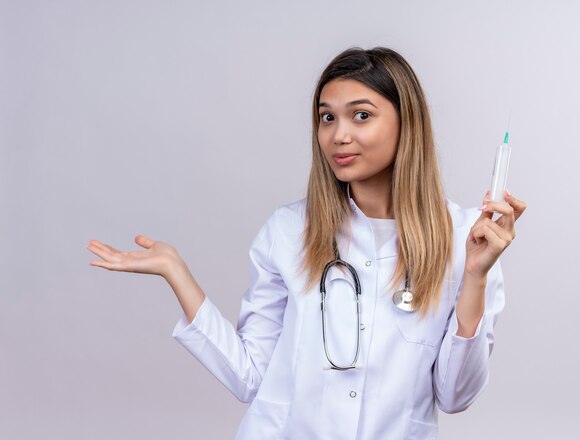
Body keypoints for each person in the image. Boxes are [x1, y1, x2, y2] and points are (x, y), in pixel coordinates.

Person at [86, 46, 527, 439]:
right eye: (327, 116)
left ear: (406, 122)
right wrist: (177, 273)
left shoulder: (465, 241)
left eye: (362, 115)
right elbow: (249, 378)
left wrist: (475, 276)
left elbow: (455, 396)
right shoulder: (289, 231)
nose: (339, 135)